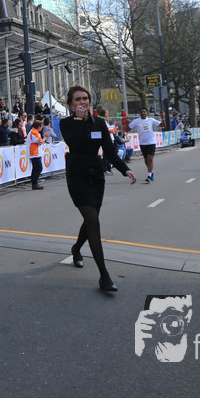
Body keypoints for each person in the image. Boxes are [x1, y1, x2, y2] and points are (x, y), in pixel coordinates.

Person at [60, 85, 135, 293]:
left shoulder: (99, 123)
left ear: (90, 101)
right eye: (77, 99)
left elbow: (109, 151)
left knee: (90, 220)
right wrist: (78, 119)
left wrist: (125, 169)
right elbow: (74, 143)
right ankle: (104, 276)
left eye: (85, 98)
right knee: (93, 221)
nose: (82, 102)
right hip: (77, 175)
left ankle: (76, 248)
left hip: (95, 175)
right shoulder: (66, 123)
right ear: (71, 103)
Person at [128, 108, 163, 184]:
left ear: (147, 113)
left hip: (151, 142)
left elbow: (162, 125)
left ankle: (149, 176)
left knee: (150, 159)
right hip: (142, 143)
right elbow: (128, 128)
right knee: (146, 160)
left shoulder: (151, 120)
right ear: (139, 113)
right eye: (141, 112)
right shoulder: (136, 121)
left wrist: (163, 118)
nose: (143, 113)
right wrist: (127, 122)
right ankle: (151, 171)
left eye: (144, 112)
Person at [26, 119, 46, 190]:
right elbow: (40, 142)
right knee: (38, 168)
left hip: (36, 152)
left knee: (36, 168)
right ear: (39, 126)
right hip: (34, 152)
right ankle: (34, 183)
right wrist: (45, 137)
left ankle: (34, 183)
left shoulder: (35, 132)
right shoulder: (34, 132)